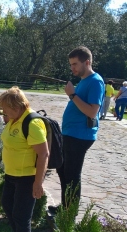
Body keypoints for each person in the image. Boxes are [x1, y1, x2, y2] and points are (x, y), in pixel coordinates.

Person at [49, 46, 104, 213]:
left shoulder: (96, 82)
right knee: (63, 170)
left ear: (87, 62)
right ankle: (66, 207)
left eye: (75, 64)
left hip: (80, 136)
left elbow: (93, 112)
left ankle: (69, 216)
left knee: (72, 176)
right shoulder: (84, 80)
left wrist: (72, 95)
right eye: (70, 64)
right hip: (71, 134)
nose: (72, 67)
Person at [0, 86, 49, 232]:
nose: (3, 111)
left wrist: (38, 182)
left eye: (5, 108)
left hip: (27, 177)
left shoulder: (32, 123)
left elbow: (43, 154)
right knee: (7, 205)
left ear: (16, 106)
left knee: (21, 214)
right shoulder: (15, 119)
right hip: (12, 174)